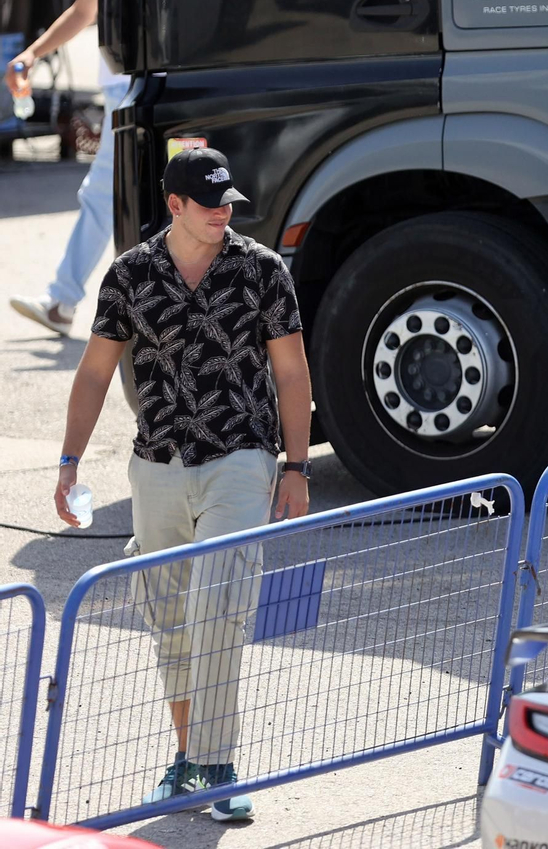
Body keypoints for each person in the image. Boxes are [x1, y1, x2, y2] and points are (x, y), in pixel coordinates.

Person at [54, 148, 312, 821]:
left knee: (219, 600)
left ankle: (219, 765)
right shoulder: (130, 276)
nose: (224, 212)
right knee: (170, 619)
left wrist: (296, 466)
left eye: (229, 201)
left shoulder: (262, 271)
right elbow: (93, 373)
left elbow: (291, 373)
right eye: (209, 203)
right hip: (158, 465)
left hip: (241, 459)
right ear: (174, 205)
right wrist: (69, 462)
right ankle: (187, 758)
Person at [7, 0, 131, 336]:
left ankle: (63, 300)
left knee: (112, 197)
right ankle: (63, 300)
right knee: (115, 196)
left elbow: (84, 11)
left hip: (141, 82)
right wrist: (32, 54)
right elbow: (84, 10)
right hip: (131, 82)